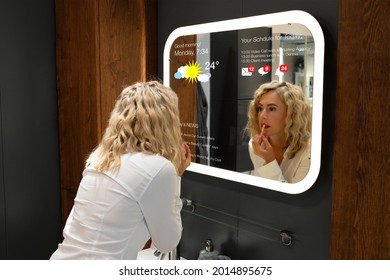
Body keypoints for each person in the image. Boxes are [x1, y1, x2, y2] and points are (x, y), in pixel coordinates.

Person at [50, 81, 191, 260]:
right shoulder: (159, 169)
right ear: (167, 123)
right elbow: (167, 243)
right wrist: (176, 175)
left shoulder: (101, 158)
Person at [245, 80, 311, 183]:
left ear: (291, 114)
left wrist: (270, 162)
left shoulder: (308, 151)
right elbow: (263, 186)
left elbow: (292, 198)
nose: (263, 116)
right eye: (260, 108)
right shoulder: (256, 145)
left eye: (271, 109)